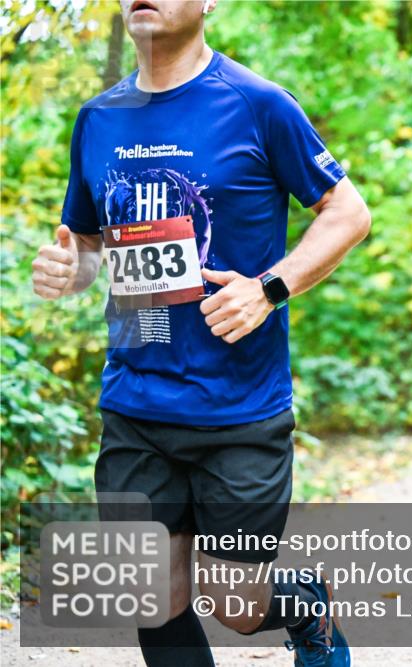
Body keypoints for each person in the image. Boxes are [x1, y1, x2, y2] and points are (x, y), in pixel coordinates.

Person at [30, 1, 370, 665]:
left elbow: (348, 213)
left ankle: (305, 605)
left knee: (234, 603)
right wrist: (69, 269)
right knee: (151, 596)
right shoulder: (99, 119)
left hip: (239, 408)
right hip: (134, 402)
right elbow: (94, 248)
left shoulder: (257, 104)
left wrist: (270, 288)